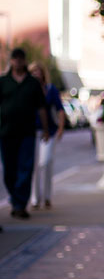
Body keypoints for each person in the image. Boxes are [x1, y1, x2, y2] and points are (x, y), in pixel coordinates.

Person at [0, 48, 49, 219]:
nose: (18, 61)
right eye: (15, 58)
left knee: (26, 168)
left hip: (27, 132)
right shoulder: (3, 82)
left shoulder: (32, 83)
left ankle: (20, 204)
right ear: (11, 61)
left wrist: (45, 129)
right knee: (9, 170)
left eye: (21, 58)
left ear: (24, 60)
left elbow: (41, 108)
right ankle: (15, 199)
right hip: (6, 132)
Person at [29, 62, 66, 210]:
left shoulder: (51, 90)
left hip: (48, 132)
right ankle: (35, 199)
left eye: (38, 71)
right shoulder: (28, 90)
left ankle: (47, 197)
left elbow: (60, 110)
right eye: (33, 72)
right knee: (34, 166)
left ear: (43, 73)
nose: (36, 74)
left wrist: (61, 128)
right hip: (32, 132)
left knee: (46, 162)